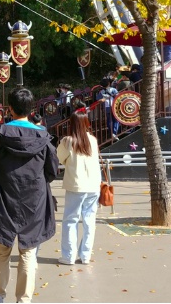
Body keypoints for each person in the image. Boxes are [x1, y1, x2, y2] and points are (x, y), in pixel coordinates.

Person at [0, 87, 59, 303]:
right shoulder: (43, 137)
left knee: (1, 249)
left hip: (3, 196)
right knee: (28, 251)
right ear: (31, 109)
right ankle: (23, 300)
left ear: (10, 109)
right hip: (34, 198)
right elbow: (52, 170)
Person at [56, 111, 102, 266]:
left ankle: (68, 256)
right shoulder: (93, 140)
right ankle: (85, 255)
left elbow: (59, 158)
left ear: (72, 124)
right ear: (87, 123)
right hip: (93, 185)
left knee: (70, 220)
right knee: (89, 221)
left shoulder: (67, 141)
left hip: (76, 185)